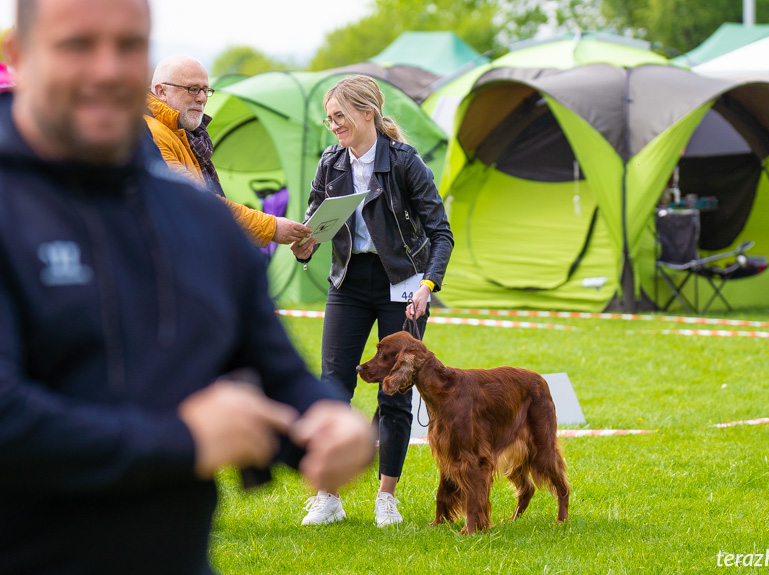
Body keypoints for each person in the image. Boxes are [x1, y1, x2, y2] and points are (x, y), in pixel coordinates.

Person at [0, 1, 373, 573]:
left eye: (127, 46)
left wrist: (328, 419)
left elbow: (276, 371)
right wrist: (183, 441)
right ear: (18, 57)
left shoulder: (195, 218)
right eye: (77, 45)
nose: (106, 68)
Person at [291, 74, 454, 528]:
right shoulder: (330, 161)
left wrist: (427, 287)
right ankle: (328, 496)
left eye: (339, 115)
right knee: (333, 387)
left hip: (403, 283)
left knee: (395, 390)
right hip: (348, 282)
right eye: (329, 119)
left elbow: (441, 233)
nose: (333, 125)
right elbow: (313, 224)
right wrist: (304, 244)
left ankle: (387, 497)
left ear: (368, 113)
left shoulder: (404, 162)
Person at [145, 54, 311, 247]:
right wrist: (271, 227)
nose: (201, 98)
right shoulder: (152, 132)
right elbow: (194, 201)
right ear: (161, 91)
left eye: (206, 91)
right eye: (192, 89)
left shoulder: (186, 135)